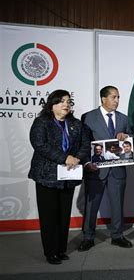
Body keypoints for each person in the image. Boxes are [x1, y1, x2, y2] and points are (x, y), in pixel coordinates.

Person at [28, 90, 89, 264]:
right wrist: (65, 158)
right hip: (46, 176)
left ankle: (61, 249)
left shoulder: (76, 124)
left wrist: (77, 158)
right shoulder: (42, 122)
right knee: (49, 216)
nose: (65, 105)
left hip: (68, 176)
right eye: (61, 101)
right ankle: (50, 252)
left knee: (64, 215)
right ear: (52, 105)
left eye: (68, 101)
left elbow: (85, 144)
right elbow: (39, 144)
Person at [78, 85, 133, 251]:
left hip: (117, 170)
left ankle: (117, 235)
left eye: (118, 97)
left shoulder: (123, 118)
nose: (117, 100)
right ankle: (88, 237)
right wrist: (87, 163)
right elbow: (83, 143)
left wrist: (126, 137)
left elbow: (130, 138)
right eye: (113, 97)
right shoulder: (88, 117)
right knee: (91, 205)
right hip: (95, 170)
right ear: (103, 99)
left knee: (118, 204)